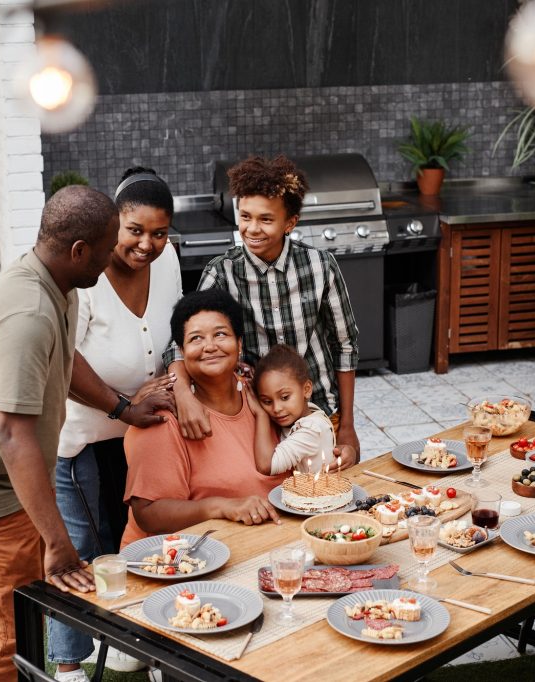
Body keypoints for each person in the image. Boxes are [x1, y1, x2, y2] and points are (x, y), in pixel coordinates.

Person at [0, 185, 122, 682]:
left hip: (6, 482)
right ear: (79, 251)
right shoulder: (29, 314)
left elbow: (64, 360)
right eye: (106, 249)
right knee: (8, 638)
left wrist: (123, 407)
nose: (111, 259)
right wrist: (56, 540)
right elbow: (12, 435)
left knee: (18, 621)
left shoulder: (56, 285)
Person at [48, 168, 181, 681]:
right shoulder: (87, 277)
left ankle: (147, 647)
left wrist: (170, 382)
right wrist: (123, 405)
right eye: (135, 231)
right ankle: (67, 667)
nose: (147, 244)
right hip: (82, 438)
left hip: (144, 437)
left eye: (159, 232)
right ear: (113, 226)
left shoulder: (167, 262)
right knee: (86, 548)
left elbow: (174, 331)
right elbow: (64, 361)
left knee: (141, 543)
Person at [164, 155, 361, 466]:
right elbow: (179, 346)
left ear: (290, 223)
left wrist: (347, 425)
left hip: (321, 412)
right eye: (245, 216)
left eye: (266, 219)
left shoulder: (321, 266)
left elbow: (345, 346)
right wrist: (183, 396)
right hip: (258, 419)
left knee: (327, 497)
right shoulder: (222, 273)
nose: (252, 229)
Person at [122, 289, 286, 545]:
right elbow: (148, 514)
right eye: (196, 338)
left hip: (264, 543)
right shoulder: (164, 416)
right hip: (179, 562)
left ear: (239, 343)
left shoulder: (261, 395)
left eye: (220, 334)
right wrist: (221, 507)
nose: (210, 346)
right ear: (181, 350)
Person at [245, 344, 336, 476]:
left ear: (306, 389)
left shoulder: (311, 430)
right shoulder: (304, 414)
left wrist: (261, 414)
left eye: (285, 397)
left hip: (321, 495)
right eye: (267, 401)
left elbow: (266, 466)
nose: (276, 409)